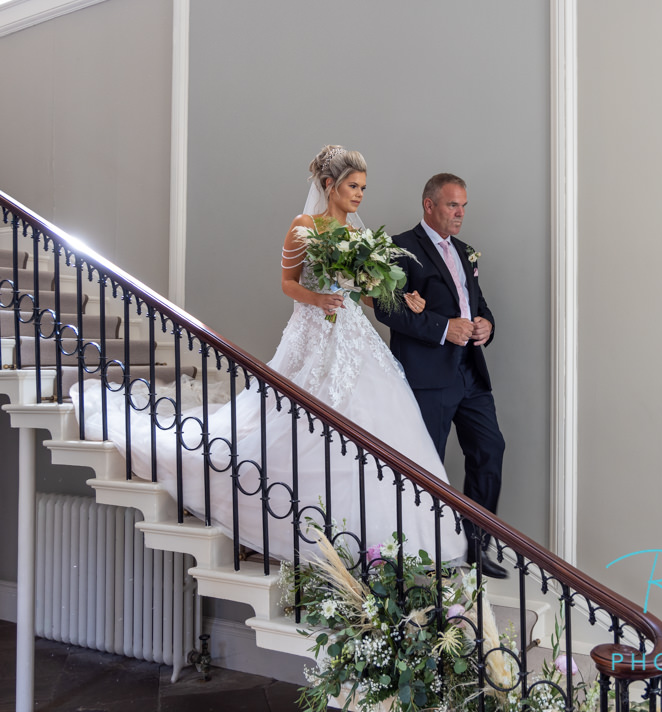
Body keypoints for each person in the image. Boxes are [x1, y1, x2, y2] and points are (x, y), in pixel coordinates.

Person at [72, 146, 467, 564]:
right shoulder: (304, 226)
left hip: (353, 336)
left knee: (375, 424)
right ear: (330, 186)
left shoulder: (357, 236)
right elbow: (287, 283)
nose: (360, 195)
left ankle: (379, 543)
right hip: (312, 330)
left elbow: (367, 295)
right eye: (353, 186)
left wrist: (401, 299)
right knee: (291, 422)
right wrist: (317, 299)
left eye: (364, 188)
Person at [374, 173, 508, 579]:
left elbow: (477, 304)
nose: (460, 213)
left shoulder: (467, 252)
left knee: (490, 450)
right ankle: (423, 555)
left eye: (464, 205)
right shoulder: (400, 248)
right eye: (453, 205)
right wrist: (442, 327)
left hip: (470, 372)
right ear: (429, 205)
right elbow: (386, 309)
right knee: (425, 466)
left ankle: (475, 547)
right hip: (427, 376)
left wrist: (487, 325)